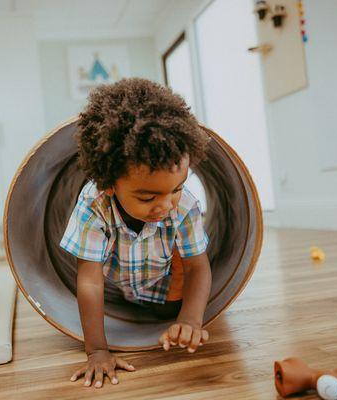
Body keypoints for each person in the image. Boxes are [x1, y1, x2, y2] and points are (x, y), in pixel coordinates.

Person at [61, 78, 212, 388]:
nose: (166, 204)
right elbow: (89, 280)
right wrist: (97, 350)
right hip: (119, 283)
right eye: (147, 197)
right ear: (109, 184)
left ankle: (175, 299)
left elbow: (199, 266)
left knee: (185, 257)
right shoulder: (94, 205)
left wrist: (189, 320)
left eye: (176, 188)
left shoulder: (183, 205)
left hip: (166, 285)